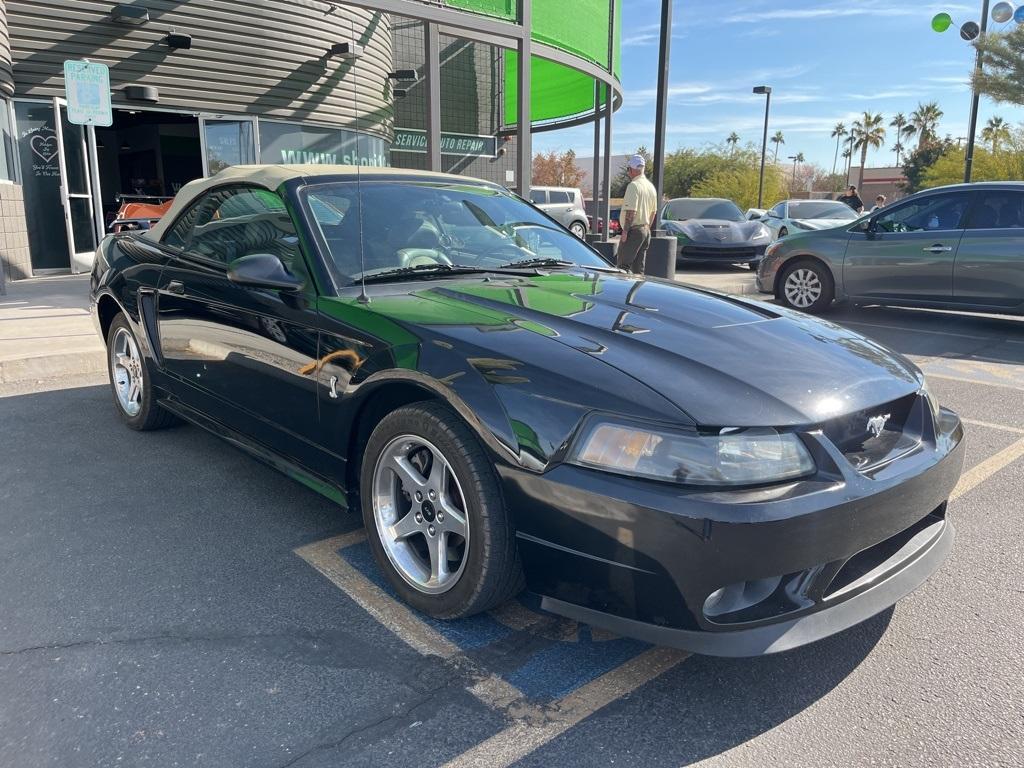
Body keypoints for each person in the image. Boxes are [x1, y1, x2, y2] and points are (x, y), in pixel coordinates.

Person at [617, 155, 657, 273]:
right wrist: (646, 229)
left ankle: (623, 291)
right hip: (645, 230)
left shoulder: (634, 186)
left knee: (623, 267)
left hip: (634, 231)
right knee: (639, 269)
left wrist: (625, 232)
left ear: (632, 169)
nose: (628, 172)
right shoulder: (651, 187)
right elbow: (653, 212)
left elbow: (631, 211)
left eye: (628, 169)